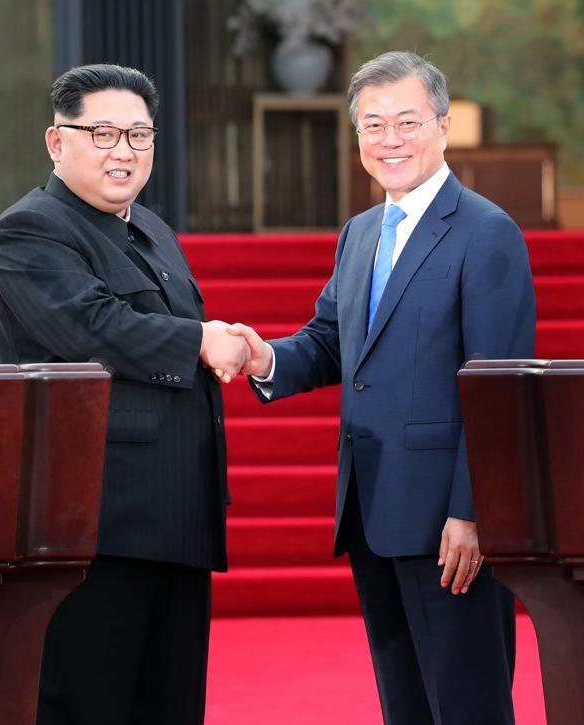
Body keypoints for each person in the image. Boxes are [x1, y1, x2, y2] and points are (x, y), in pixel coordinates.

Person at [229, 51, 536, 724]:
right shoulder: (361, 233)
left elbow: (497, 386)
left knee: (467, 703)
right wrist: (264, 358)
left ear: (444, 126)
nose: (389, 140)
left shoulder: (486, 234)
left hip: (449, 524)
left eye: (406, 122)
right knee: (406, 703)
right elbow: (331, 342)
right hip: (372, 508)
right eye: (373, 125)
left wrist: (474, 510)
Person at [0, 63, 248, 725]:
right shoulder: (30, 229)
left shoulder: (153, 229)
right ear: (56, 142)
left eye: (138, 135)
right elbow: (91, 326)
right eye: (102, 133)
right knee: (88, 703)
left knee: (169, 705)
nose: (123, 151)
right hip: (95, 525)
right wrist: (200, 338)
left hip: (176, 521)